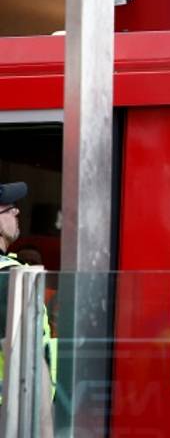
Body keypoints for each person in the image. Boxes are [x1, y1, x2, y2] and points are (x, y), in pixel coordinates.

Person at [0, 182, 54, 434]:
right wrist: (45, 429)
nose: (17, 212)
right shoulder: (7, 277)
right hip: (13, 411)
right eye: (9, 208)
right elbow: (26, 355)